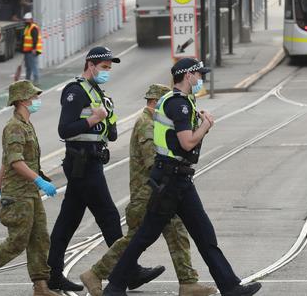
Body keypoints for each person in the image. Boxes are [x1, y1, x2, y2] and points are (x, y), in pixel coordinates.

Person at [102, 58, 262, 296]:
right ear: (187, 76)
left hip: (178, 179)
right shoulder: (179, 104)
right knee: (145, 235)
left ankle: (230, 286)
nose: (201, 80)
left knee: (203, 234)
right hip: (171, 179)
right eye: (198, 75)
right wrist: (206, 126)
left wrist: (200, 122)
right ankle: (114, 286)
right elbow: (187, 143)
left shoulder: (176, 100)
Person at [80, 83, 217, 296]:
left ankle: (188, 282)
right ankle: (96, 273)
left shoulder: (154, 122)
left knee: (175, 233)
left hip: (160, 191)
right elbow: (152, 161)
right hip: (148, 195)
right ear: (155, 102)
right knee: (135, 240)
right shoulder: (147, 124)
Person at [47, 46, 165, 292]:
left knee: (68, 221)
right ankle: (128, 271)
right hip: (82, 162)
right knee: (109, 217)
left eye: (109, 68)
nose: (107, 72)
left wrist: (108, 118)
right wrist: (94, 118)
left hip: (92, 161)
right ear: (91, 65)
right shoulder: (75, 91)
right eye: (104, 67)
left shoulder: (98, 94)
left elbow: (110, 134)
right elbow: (64, 129)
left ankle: (53, 273)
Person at [0, 80, 60, 296]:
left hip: (29, 194)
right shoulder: (14, 126)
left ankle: (41, 287)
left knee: (40, 239)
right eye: (34, 97)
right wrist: (39, 181)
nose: (37, 100)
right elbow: (15, 161)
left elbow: (6, 160)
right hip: (18, 195)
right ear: (23, 100)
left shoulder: (25, 124)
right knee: (17, 241)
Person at [22, 13, 42, 85]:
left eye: (27, 20)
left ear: (31, 19)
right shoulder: (27, 27)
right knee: (28, 67)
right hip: (27, 51)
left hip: (32, 51)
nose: (26, 21)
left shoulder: (33, 28)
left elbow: (35, 39)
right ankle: (27, 81)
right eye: (25, 20)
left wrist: (34, 48)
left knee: (34, 66)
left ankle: (36, 81)